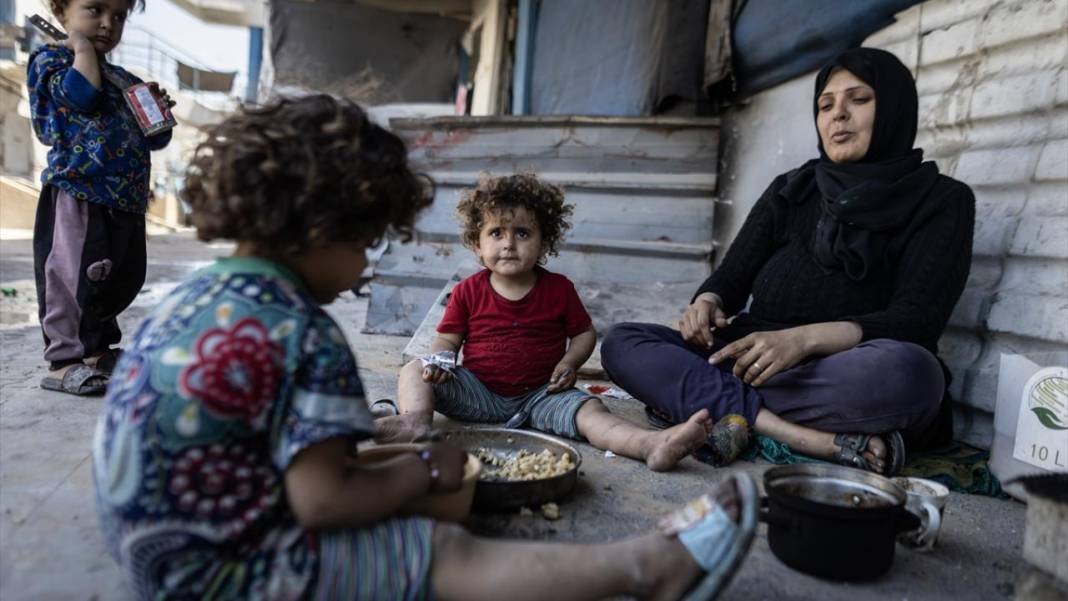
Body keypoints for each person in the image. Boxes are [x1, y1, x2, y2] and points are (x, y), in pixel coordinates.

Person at [92, 95, 759, 600]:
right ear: (321, 227)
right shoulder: (302, 330)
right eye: (364, 244)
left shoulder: (192, 297)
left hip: (151, 547)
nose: (364, 271)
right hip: (216, 573)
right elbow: (323, 501)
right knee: (443, 548)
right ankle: (647, 567)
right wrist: (423, 471)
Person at [601, 47, 976, 476]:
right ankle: (807, 438)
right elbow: (731, 278)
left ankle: (710, 403)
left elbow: (918, 319)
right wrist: (706, 301)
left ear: (894, 108)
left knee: (911, 375)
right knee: (622, 343)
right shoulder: (792, 189)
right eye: (825, 104)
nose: (838, 116)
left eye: (858, 99)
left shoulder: (943, 201)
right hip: (751, 358)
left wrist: (803, 340)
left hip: (836, 371)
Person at [375, 173, 718, 472]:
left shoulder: (558, 289)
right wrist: (440, 363)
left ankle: (649, 445)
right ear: (477, 244)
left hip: (542, 395)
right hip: (477, 392)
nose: (508, 243)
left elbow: (584, 334)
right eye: (496, 233)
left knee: (591, 411)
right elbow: (447, 341)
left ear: (544, 244)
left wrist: (570, 363)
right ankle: (415, 420)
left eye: (522, 233)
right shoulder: (467, 291)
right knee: (414, 368)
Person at [27, 0, 175, 395]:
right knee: (74, 278)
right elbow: (80, 96)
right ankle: (64, 361)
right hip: (79, 191)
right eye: (94, 10)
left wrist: (155, 108)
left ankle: (96, 351)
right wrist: (82, 50)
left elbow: (156, 136)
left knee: (119, 277)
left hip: (125, 198)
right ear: (61, 12)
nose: (108, 24)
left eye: (119, 16)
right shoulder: (52, 60)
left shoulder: (122, 77)